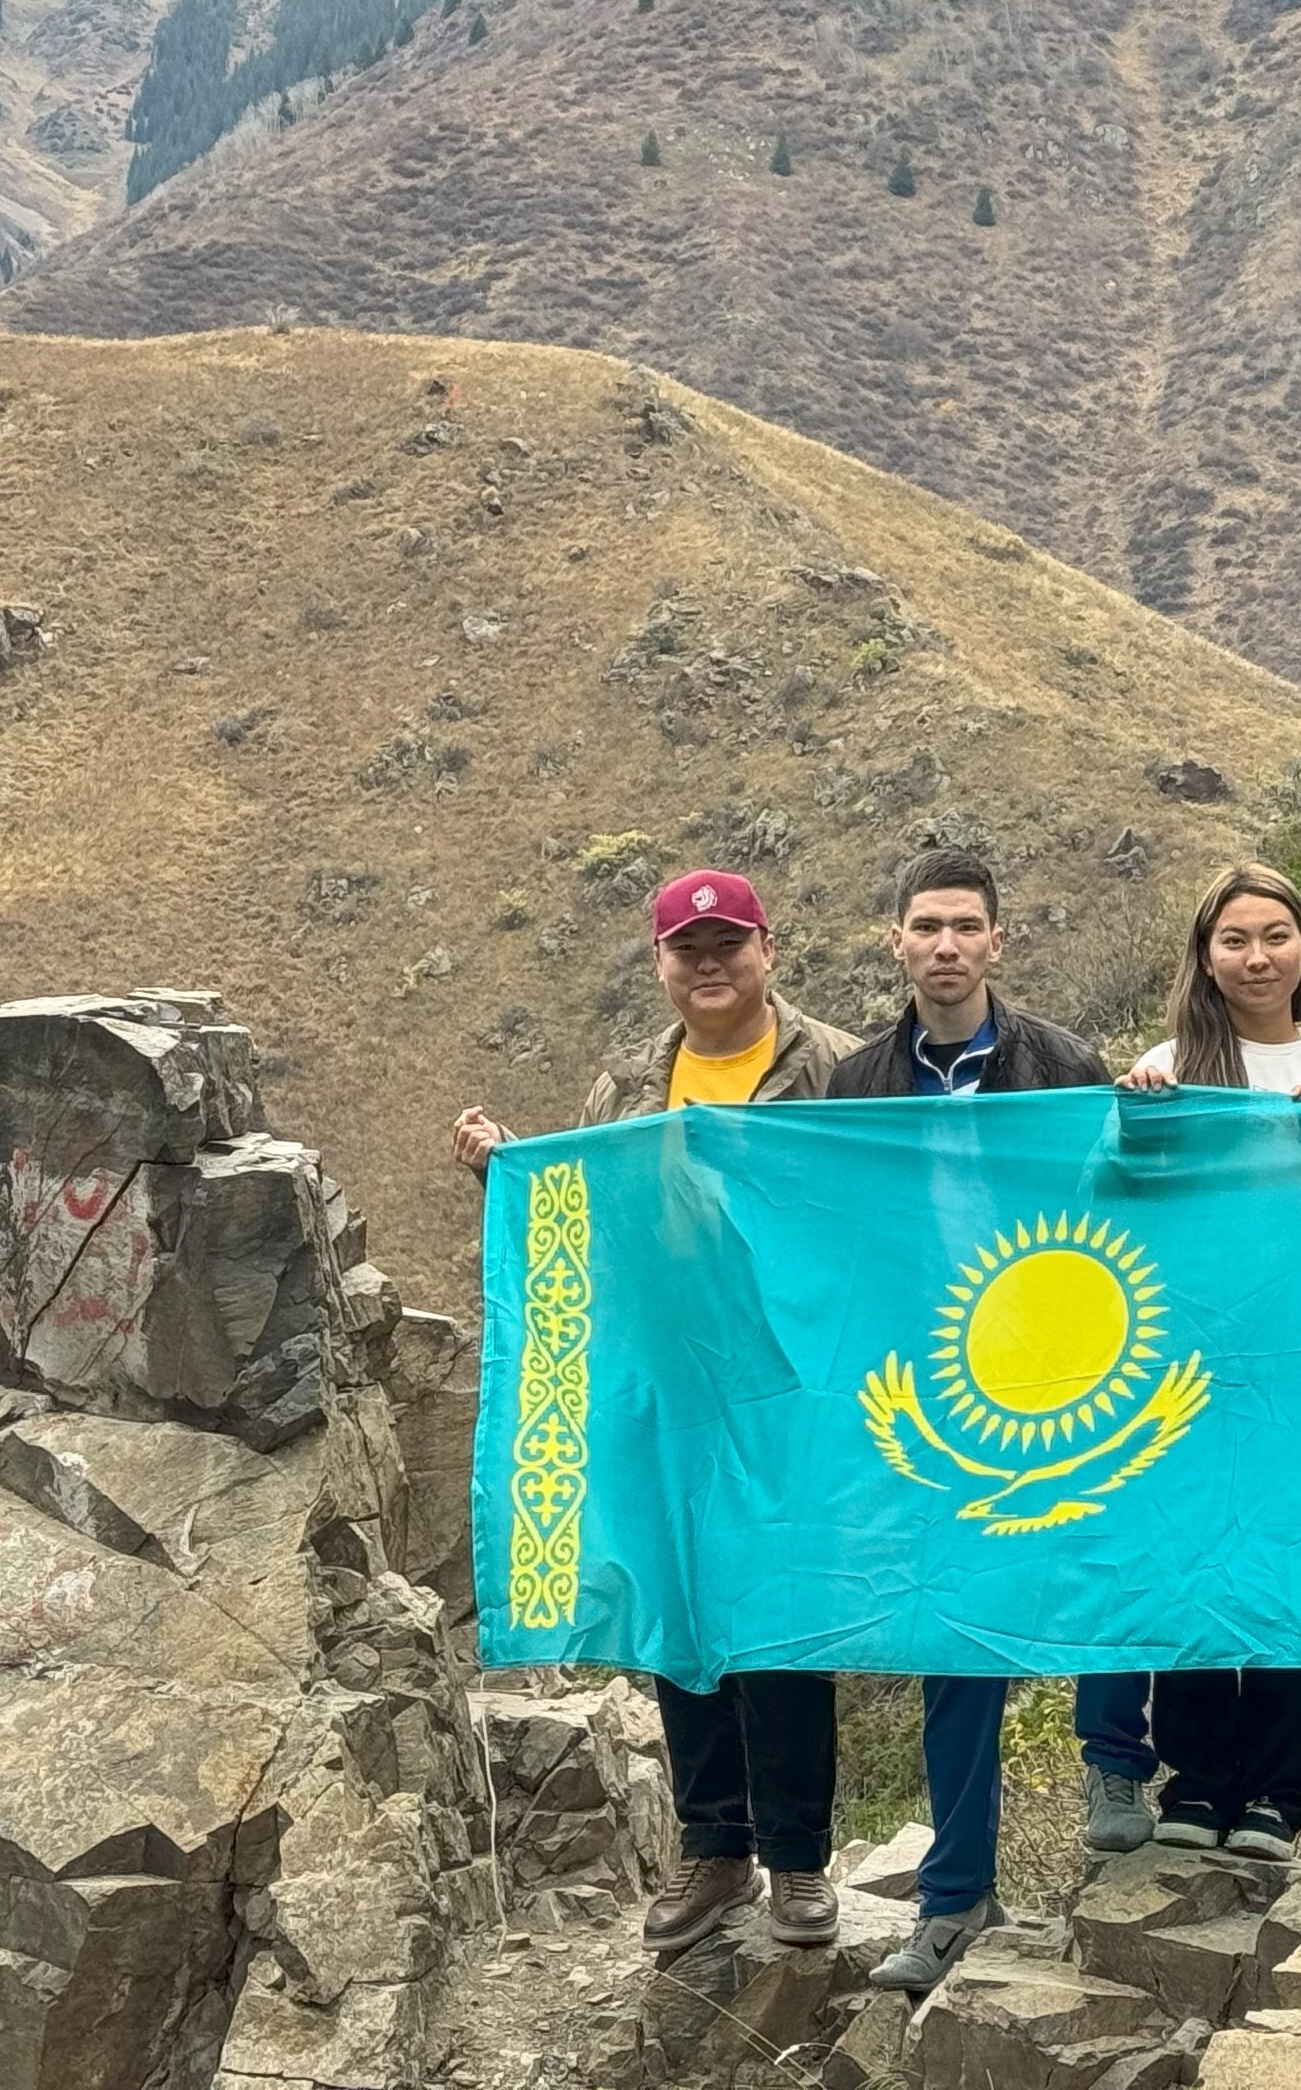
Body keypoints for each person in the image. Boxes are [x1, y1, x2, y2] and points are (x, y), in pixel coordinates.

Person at [451, 868, 856, 1956]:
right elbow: (588, 1207)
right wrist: (509, 1174)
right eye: (689, 948)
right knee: (680, 1616)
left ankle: (801, 1862)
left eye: (729, 944)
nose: (710, 963)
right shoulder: (630, 1080)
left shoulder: (834, 1067)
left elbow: (881, 1213)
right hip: (667, 1378)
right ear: (663, 963)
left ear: (769, 950)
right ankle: (714, 1846)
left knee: (781, 1616)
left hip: (788, 1380)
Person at [828, 846, 1116, 1995]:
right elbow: (816, 1223)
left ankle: (1121, 1774)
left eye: (965, 926)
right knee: (953, 1641)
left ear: (999, 941)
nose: (945, 945)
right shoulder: (854, 1084)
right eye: (925, 926)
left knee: (1104, 1582)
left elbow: (1117, 1203)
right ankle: (953, 1900)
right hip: (930, 1396)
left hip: (1064, 1374)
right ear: (894, 941)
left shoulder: (1062, 1063)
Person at [1082, 864, 1301, 1864]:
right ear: (1205, 958)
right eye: (1234, 940)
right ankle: (1197, 1778)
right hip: (1187, 1365)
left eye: (1273, 936)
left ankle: (1273, 1793)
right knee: (1194, 1561)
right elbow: (1100, 1205)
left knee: (1291, 1566)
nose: (1255, 957)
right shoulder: (1168, 1066)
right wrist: (1135, 1127)